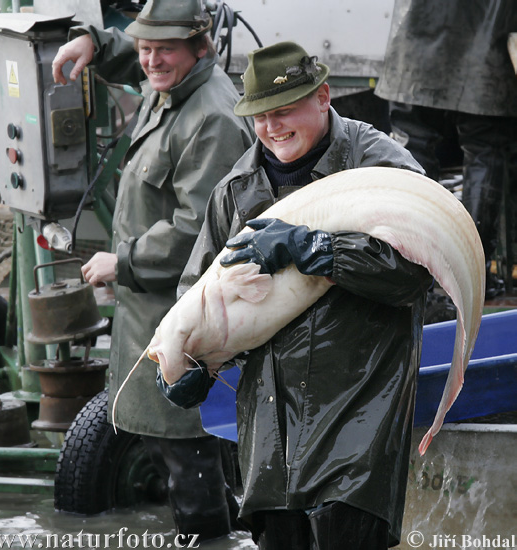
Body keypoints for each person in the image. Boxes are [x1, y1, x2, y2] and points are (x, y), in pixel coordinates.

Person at [169, 41, 434, 550]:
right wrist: (192, 365)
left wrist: (322, 250)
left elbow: (418, 270)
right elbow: (198, 291)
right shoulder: (236, 190)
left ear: (324, 97)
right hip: (269, 427)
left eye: (284, 110)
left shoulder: (376, 162)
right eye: (259, 116)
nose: (272, 127)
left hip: (360, 409)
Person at [51, 0, 254, 541]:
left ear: (200, 46)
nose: (152, 60)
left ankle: (211, 538)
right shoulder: (172, 85)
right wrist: (96, 42)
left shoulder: (212, 117)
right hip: (150, 310)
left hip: (180, 314)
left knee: (189, 451)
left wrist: (124, 261)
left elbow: (198, 228)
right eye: (144, 47)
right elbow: (143, 64)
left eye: (166, 48)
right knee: (174, 447)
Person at [375, 0, 517, 298]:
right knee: (486, 150)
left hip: (415, 42)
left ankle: (416, 269)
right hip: (489, 45)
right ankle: (474, 274)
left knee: (413, 150)